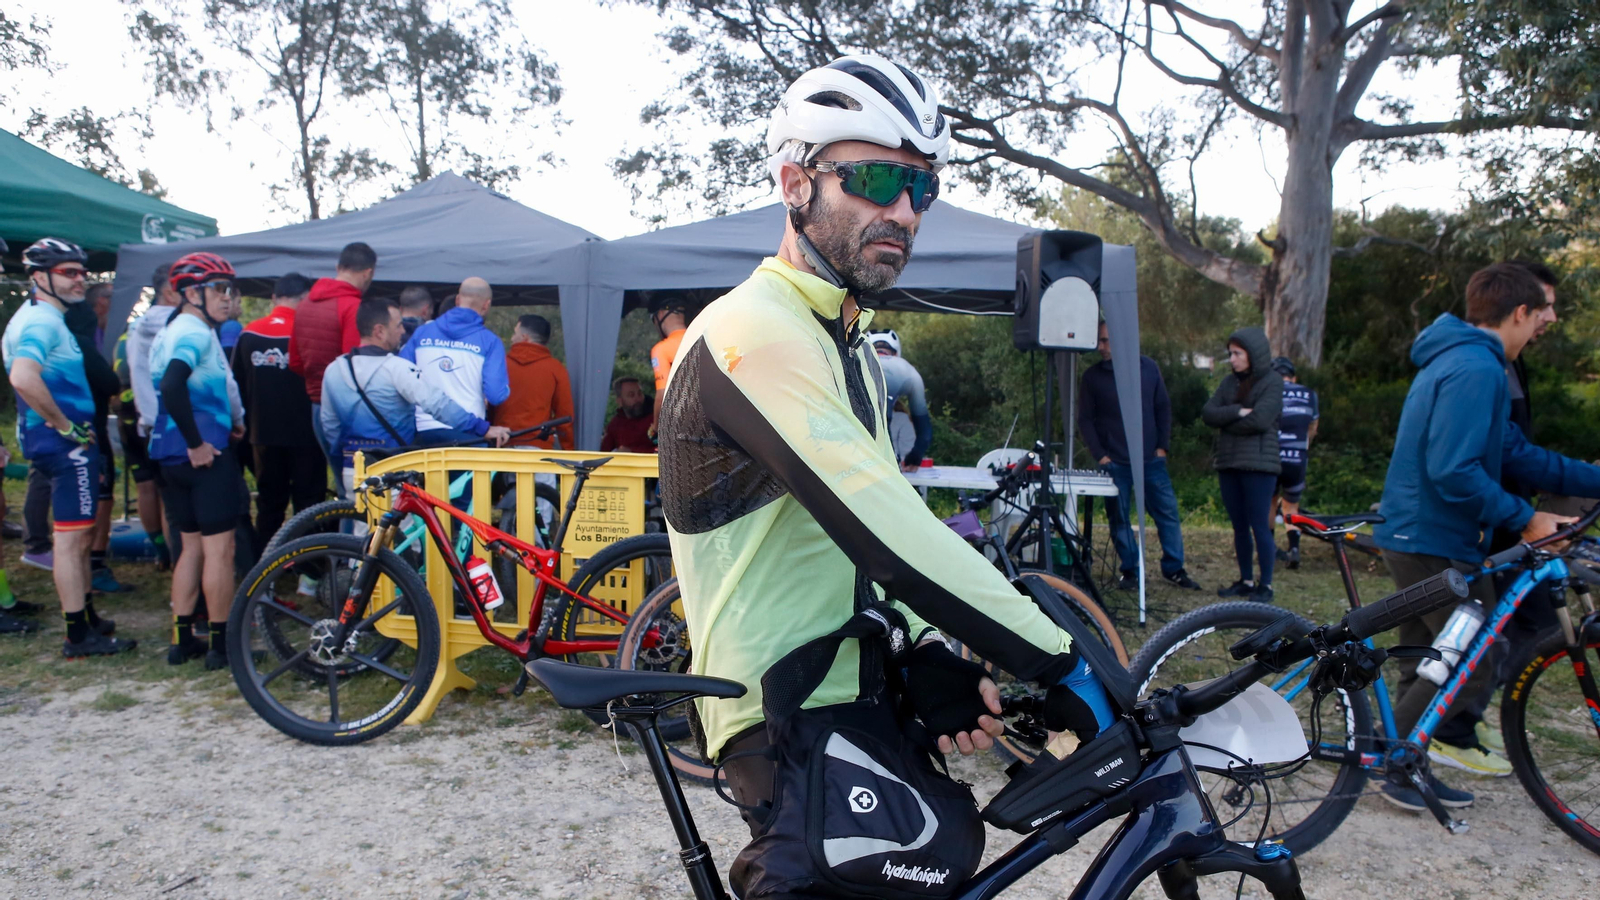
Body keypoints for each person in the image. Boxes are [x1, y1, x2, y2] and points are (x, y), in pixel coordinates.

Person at [656, 56, 1114, 868]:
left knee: (957, 851)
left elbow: (844, 537)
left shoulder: (848, 343)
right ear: (797, 181)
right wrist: (1058, 657)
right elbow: (887, 532)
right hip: (786, 703)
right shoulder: (753, 332)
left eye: (922, 189)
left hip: (854, 675)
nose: (904, 210)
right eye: (874, 178)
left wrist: (920, 650)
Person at [1373, 262, 1600, 808]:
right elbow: (1454, 469)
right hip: (1432, 536)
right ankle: (1386, 763)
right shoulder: (1477, 367)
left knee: (1428, 657)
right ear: (1517, 312)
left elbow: (1513, 453)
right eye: (1539, 314)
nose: (1545, 322)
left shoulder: (1467, 360)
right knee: (1475, 654)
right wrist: (1526, 518)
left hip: (1418, 532)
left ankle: (1394, 759)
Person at [3, 238, 135, 657]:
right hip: (64, 444)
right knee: (72, 539)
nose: (80, 279)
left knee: (75, 537)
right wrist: (65, 426)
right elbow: (23, 377)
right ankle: (78, 635)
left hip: (56, 440)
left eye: (82, 272)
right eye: (68, 272)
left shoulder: (41, 316)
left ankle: (86, 618)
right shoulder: (42, 322)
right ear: (40, 277)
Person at [149, 252, 249, 669]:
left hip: (168, 456)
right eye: (218, 289)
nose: (228, 298)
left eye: (231, 289)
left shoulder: (169, 330)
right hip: (203, 456)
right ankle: (220, 647)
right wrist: (197, 442)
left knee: (189, 548)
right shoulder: (195, 333)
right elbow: (173, 385)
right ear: (192, 293)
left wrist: (233, 419)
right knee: (219, 551)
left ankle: (181, 639)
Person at [320, 297, 509, 495]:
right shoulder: (398, 369)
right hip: (393, 468)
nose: (402, 331)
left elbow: (330, 426)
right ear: (379, 331)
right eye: (398, 325)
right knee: (399, 526)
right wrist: (482, 428)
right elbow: (438, 405)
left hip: (353, 468)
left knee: (360, 523)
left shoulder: (335, 370)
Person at [1079, 321, 1200, 591]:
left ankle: (1174, 568)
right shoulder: (1093, 377)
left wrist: (1162, 448)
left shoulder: (1148, 368)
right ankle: (1131, 570)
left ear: (1123, 340)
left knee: (1166, 513)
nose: (1101, 347)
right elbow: (1085, 419)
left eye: (1106, 341)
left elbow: (1163, 408)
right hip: (1115, 462)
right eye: (1099, 341)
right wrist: (1101, 456)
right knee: (1119, 518)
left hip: (1150, 459)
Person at [232, 273, 325, 547]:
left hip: (263, 434)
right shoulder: (311, 332)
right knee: (309, 503)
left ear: (274, 298)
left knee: (269, 503)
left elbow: (235, 386)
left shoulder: (249, 332)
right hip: (306, 435)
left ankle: (265, 575)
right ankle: (310, 572)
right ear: (306, 299)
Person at [1201, 327, 1283, 603]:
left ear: (1253, 354)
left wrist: (1228, 424)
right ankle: (1246, 580)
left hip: (1260, 467)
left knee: (1260, 525)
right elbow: (1209, 413)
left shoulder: (1273, 382)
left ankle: (1266, 585)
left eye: (1237, 353)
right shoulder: (1228, 384)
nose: (1233, 359)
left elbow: (1260, 420)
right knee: (1239, 526)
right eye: (1230, 354)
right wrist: (1236, 411)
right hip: (1229, 463)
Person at [289, 241, 375, 495]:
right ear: (368, 272)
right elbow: (355, 368)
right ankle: (352, 536)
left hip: (316, 405)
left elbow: (294, 361)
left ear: (338, 267)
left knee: (343, 485)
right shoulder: (352, 306)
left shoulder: (304, 305)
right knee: (357, 490)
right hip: (347, 412)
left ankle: (342, 534)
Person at [67, 283, 133, 594]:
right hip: (87, 431)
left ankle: (84, 567)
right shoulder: (81, 341)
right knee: (100, 499)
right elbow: (108, 382)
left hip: (71, 430)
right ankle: (93, 565)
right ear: (97, 307)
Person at [113, 264, 176, 570]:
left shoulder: (135, 327)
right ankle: (175, 556)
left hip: (135, 418)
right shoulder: (174, 324)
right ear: (169, 290)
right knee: (169, 497)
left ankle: (162, 552)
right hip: (163, 421)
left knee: (147, 487)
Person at [401, 276, 509, 446]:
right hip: (470, 434)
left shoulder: (422, 333)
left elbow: (401, 377)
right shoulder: (490, 341)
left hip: (424, 434)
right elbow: (496, 395)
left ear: (458, 300)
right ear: (486, 305)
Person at [490, 314, 574, 449]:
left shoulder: (500, 365)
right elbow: (565, 415)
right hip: (538, 447)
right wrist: (569, 451)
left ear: (525, 337)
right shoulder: (556, 369)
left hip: (503, 445)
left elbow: (488, 406)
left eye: (515, 333)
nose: (511, 338)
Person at [1271, 357, 1318, 570]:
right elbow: (1313, 427)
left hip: (1271, 457)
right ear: (1294, 377)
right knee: (1291, 506)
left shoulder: (1268, 391)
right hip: (1297, 457)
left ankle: (1268, 548)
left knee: (1270, 503)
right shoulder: (1309, 394)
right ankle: (1294, 548)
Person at [865, 329, 933, 470]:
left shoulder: (858, 363)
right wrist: (914, 457)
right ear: (896, 353)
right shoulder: (908, 370)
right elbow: (924, 434)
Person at [646, 293, 689, 444]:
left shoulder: (661, 349)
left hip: (682, 425)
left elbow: (662, 394)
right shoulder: (702, 336)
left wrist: (656, 428)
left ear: (661, 314)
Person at [599, 377, 655, 453]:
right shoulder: (615, 424)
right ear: (620, 401)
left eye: (639, 393)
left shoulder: (655, 418)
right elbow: (603, 453)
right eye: (631, 395)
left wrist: (632, 452)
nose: (637, 398)